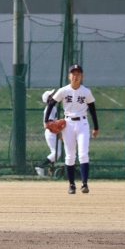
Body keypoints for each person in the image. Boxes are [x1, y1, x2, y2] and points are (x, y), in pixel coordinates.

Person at [44, 65, 99, 194]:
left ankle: (84, 184)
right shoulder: (63, 90)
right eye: (73, 74)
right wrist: (47, 121)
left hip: (83, 123)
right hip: (68, 123)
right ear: (69, 76)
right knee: (69, 156)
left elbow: (92, 109)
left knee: (83, 154)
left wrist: (96, 127)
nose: (75, 76)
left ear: (82, 76)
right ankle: (72, 185)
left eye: (78, 74)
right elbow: (51, 104)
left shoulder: (86, 92)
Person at [35, 89, 63, 178]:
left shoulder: (53, 107)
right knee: (56, 153)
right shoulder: (50, 108)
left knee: (57, 153)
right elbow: (50, 122)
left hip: (53, 131)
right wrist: (58, 130)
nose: (53, 96)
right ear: (48, 99)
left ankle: (49, 170)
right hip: (51, 131)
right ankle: (41, 166)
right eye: (51, 95)